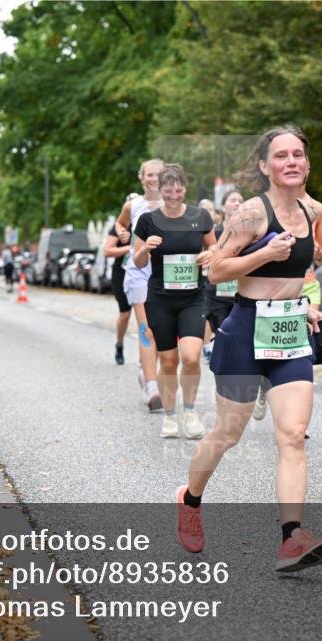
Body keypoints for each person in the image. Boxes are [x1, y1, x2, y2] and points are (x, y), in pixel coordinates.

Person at [176, 126, 322, 573]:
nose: (291, 162)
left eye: (298, 154)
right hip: (245, 331)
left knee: (293, 435)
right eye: (280, 155)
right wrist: (263, 256)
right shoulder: (249, 214)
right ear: (265, 166)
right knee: (228, 434)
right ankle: (190, 499)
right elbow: (218, 272)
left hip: (289, 333)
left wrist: (304, 305)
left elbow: (307, 268)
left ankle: (291, 539)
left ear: (306, 162)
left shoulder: (315, 209)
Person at [133, 164, 215, 439]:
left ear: (185, 188)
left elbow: (215, 248)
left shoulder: (200, 216)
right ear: (160, 188)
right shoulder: (148, 221)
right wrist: (146, 247)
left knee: (191, 356)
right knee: (168, 362)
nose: (173, 192)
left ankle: (190, 412)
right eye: (168, 187)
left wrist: (210, 255)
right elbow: (137, 260)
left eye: (178, 187)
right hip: (160, 299)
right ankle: (169, 416)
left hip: (193, 298)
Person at [252, 181, 322, 421]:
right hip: (278, 287)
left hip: (308, 285)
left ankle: (296, 411)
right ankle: (266, 381)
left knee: (304, 340)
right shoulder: (269, 208)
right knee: (276, 341)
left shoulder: (318, 210)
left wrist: (318, 252)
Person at [118, 160, 165, 411]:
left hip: (166, 275)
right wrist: (123, 234)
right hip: (138, 271)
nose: (153, 179)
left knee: (163, 331)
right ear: (142, 177)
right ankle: (151, 386)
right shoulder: (133, 205)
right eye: (149, 174)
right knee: (147, 329)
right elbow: (120, 223)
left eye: (158, 174)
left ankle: (144, 368)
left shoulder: (173, 204)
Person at [203, 189, 245, 362]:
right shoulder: (215, 233)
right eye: (233, 200)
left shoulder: (249, 232)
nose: (237, 203)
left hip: (240, 290)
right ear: (223, 206)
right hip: (218, 292)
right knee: (221, 330)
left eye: (240, 200)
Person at [103, 195, 138, 365]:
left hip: (142, 272)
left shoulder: (146, 222)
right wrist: (128, 249)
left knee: (145, 314)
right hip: (122, 272)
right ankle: (119, 344)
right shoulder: (120, 227)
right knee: (125, 314)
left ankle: (146, 353)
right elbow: (107, 251)